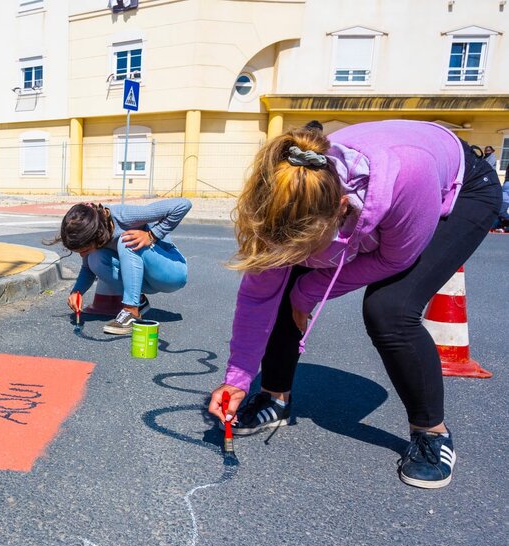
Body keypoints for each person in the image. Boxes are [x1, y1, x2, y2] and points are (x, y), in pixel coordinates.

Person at [207, 120, 501, 490]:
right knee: (283, 283)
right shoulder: (289, 192)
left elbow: (394, 259)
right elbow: (257, 296)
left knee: (390, 309)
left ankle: (432, 433)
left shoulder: (405, 175)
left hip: (459, 187)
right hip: (362, 194)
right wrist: (237, 379)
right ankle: (275, 396)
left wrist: (307, 292)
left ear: (342, 208)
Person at [51, 199, 191, 335]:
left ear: (95, 235)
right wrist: (77, 291)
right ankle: (139, 303)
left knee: (126, 241)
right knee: (95, 258)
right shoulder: (95, 231)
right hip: (145, 280)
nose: (82, 255)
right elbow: (88, 269)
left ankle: (131, 311)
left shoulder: (123, 216)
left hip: (172, 272)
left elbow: (183, 205)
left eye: (84, 249)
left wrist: (152, 235)